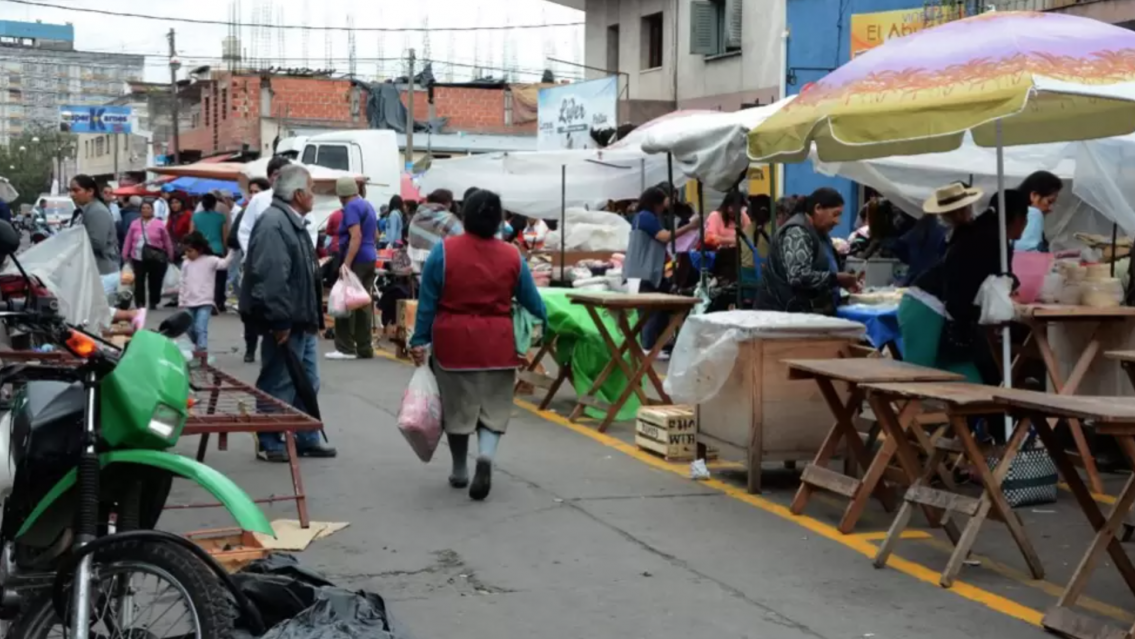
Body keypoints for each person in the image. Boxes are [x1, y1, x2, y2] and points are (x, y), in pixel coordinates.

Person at [409, 189, 546, 501]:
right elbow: (532, 301)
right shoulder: (513, 256)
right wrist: (545, 321)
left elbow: (428, 304)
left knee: (458, 409)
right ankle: (485, 458)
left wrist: (419, 341)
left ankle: (459, 469)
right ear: (498, 221)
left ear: (465, 217)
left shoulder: (443, 252)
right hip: (498, 342)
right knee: (492, 408)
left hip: (453, 342)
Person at [241, 164, 336, 461]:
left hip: (300, 318)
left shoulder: (290, 221)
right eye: (310, 190)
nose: (313, 196)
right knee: (278, 380)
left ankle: (305, 436)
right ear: (297, 194)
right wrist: (280, 320)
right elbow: (271, 277)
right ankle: (270, 441)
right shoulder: (274, 223)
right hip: (286, 319)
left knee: (306, 380)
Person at [899, 186, 1029, 385]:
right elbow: (981, 283)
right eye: (1026, 218)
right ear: (1018, 217)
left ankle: (968, 414)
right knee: (916, 378)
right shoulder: (989, 237)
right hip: (927, 305)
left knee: (968, 378)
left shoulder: (980, 231)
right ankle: (900, 415)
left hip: (940, 309)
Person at [624, 186, 701, 355]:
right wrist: (690, 227)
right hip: (642, 270)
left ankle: (651, 346)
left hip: (643, 269)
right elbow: (665, 237)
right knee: (650, 311)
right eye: (664, 202)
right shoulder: (646, 217)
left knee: (654, 309)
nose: (665, 207)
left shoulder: (643, 217)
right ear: (655, 203)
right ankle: (647, 348)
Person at [757, 187, 858, 315]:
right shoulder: (797, 232)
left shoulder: (820, 233)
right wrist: (836, 279)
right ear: (818, 209)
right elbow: (798, 276)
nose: (837, 221)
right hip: (783, 316)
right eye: (835, 214)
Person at [327, 176, 378, 361]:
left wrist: (346, 263)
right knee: (363, 302)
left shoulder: (350, 208)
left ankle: (345, 347)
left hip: (356, 258)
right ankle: (365, 348)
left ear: (340, 195)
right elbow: (375, 235)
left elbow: (355, 237)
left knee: (345, 301)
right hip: (369, 257)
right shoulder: (367, 205)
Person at [233, 177, 271, 363]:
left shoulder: (273, 213)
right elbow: (234, 237)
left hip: (271, 268)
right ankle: (250, 347)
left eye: (257, 191)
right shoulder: (245, 215)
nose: (254, 195)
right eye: (251, 191)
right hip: (249, 267)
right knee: (248, 310)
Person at [180, 231, 235, 354]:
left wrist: (232, 251)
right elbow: (182, 282)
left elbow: (224, 264)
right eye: (186, 251)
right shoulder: (186, 264)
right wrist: (181, 300)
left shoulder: (210, 260)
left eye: (190, 251)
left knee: (200, 327)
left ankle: (202, 349)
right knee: (188, 327)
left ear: (199, 249)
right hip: (188, 301)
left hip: (205, 301)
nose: (187, 254)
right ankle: (198, 344)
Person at [69, 174, 121, 296]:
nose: (72, 194)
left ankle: (133, 315)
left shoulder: (97, 211)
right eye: (70, 190)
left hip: (102, 273)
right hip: (93, 273)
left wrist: (72, 244)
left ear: (90, 191)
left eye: (76, 190)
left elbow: (97, 244)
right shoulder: (85, 210)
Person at [122, 200, 175, 309]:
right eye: (143, 208)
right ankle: (140, 302)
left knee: (155, 280)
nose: (145, 210)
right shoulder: (135, 223)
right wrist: (125, 253)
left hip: (155, 256)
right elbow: (129, 239)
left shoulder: (159, 224)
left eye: (148, 208)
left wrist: (170, 254)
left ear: (152, 210)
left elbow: (167, 240)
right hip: (137, 256)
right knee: (139, 280)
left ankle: (153, 301)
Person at [238, 156, 292, 257]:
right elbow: (245, 229)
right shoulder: (258, 200)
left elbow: (309, 229)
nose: (280, 177)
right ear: (269, 178)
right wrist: (252, 254)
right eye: (276, 174)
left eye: (285, 173)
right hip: (263, 258)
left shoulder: (297, 198)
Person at [190, 193, 230, 313]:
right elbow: (225, 237)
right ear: (215, 204)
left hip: (201, 251)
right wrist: (225, 251)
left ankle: (203, 302)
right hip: (217, 250)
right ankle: (218, 302)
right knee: (219, 278)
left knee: (203, 279)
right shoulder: (220, 217)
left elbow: (191, 234)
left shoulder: (195, 217)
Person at [408, 189, 463, 273]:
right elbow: (461, 242)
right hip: (441, 272)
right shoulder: (451, 221)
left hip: (416, 271)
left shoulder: (416, 218)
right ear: (448, 203)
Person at [1015, 170, 1063, 253]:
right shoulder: (1033, 213)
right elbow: (1030, 251)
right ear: (1034, 196)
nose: (1050, 209)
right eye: (1049, 201)